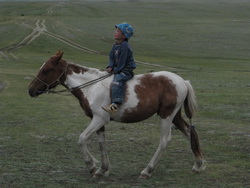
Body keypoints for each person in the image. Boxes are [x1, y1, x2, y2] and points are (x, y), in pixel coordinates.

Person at [102, 23, 136, 113]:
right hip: (118, 69)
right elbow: (111, 57)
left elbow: (122, 63)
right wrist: (110, 66)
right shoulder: (116, 45)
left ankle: (115, 104)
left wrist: (115, 70)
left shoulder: (125, 47)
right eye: (115, 31)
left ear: (124, 36)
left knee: (117, 81)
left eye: (117, 31)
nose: (114, 33)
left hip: (125, 70)